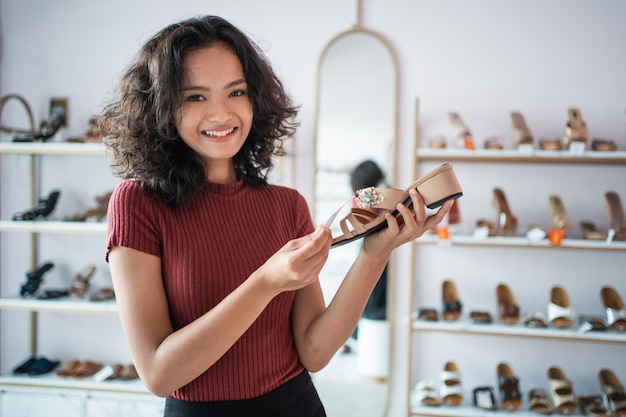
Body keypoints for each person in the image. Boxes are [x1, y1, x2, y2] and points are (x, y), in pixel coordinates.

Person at [99, 15, 452, 417]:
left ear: (256, 100)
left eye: (236, 92)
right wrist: (265, 282)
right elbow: (159, 374)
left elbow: (315, 352)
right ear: (162, 107)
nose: (221, 114)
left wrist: (375, 253)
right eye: (195, 97)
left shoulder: (287, 205)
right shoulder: (137, 204)